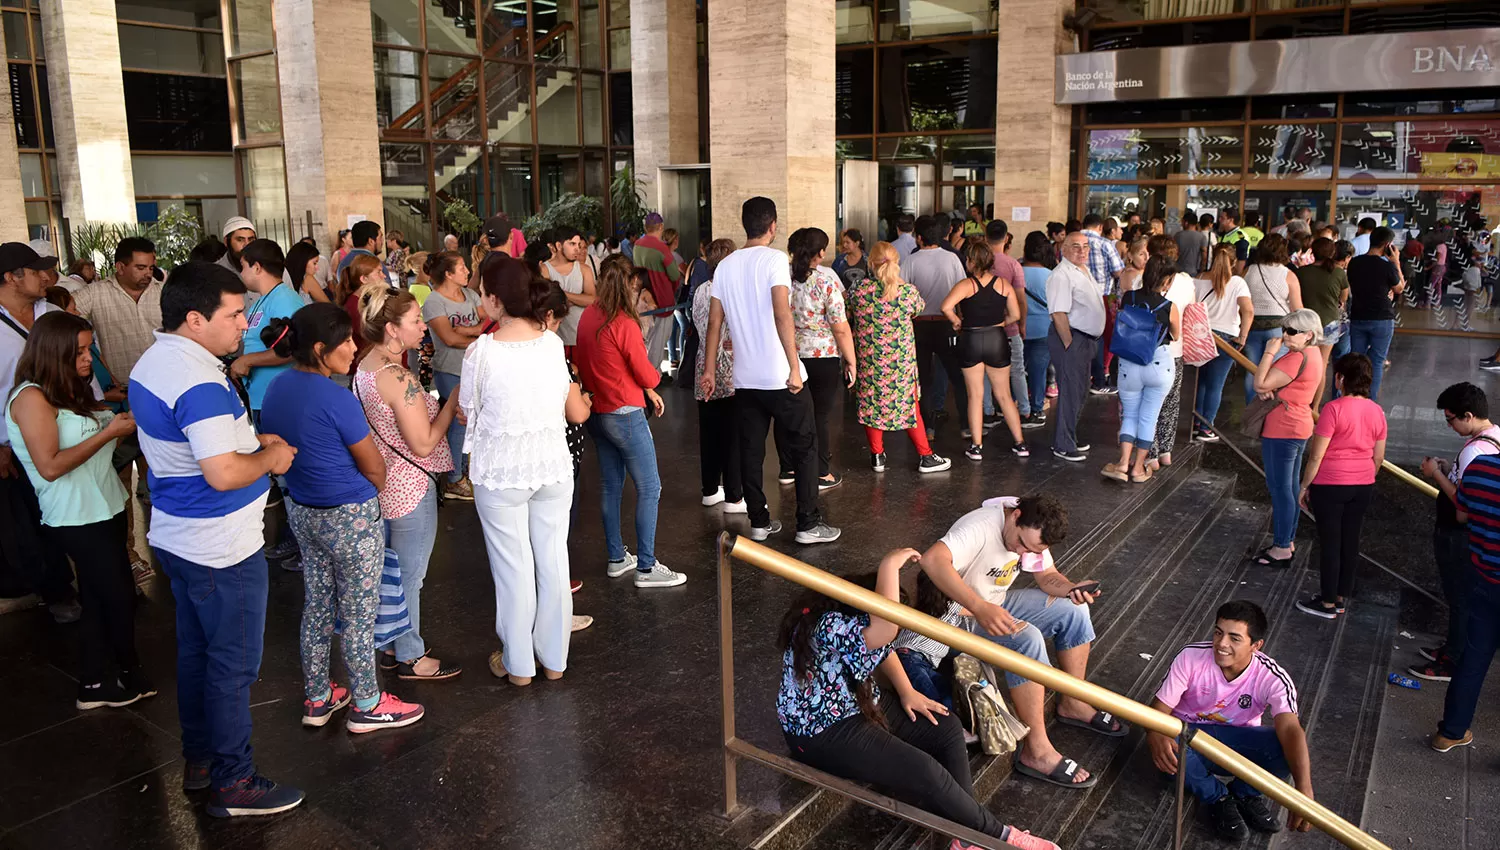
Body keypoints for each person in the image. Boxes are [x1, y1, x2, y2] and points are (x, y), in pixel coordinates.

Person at [129, 261, 302, 816]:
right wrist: (270, 457)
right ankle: (235, 782)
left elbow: (202, 448)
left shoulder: (156, 360)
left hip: (179, 538)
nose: (243, 327)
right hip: (221, 546)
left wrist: (251, 441)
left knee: (198, 656)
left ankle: (201, 761)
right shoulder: (199, 379)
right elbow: (224, 473)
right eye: (232, 316)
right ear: (196, 318)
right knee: (232, 667)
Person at [776, 548, 1061, 850]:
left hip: (858, 704)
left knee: (946, 727)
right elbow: (885, 630)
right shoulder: (830, 624)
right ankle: (999, 836)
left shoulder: (850, 613)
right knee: (926, 770)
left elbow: (882, 648)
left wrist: (907, 692)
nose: (897, 623)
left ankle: (964, 840)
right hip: (821, 732)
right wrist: (889, 564)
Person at [258, 303, 426, 732]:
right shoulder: (335, 397)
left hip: (302, 511)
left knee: (317, 603)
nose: (354, 348)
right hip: (349, 515)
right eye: (345, 341)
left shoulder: (276, 387)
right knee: (359, 611)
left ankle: (318, 696)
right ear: (319, 349)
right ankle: (368, 703)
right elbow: (375, 469)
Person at [913, 496, 1120, 791]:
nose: (1021, 552)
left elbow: (1047, 577)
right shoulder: (981, 525)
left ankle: (1073, 702)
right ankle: (1036, 750)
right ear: (1015, 516)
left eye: (1030, 550)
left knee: (1074, 610)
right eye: (1021, 544)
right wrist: (980, 607)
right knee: (1028, 639)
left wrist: (1071, 589)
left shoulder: (1031, 531)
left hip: (994, 603)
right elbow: (931, 559)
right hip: (955, 615)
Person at [6, 310, 148, 708]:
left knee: (103, 595)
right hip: (74, 514)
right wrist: (109, 430)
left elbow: (97, 444)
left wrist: (114, 426)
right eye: (80, 351)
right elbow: (50, 466)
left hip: (104, 504)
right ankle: (120, 674)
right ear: (53, 352)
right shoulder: (31, 397)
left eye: (89, 349)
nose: (89, 359)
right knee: (117, 595)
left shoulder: (70, 389)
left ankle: (97, 680)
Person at [463, 257, 591, 684]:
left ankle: (519, 667)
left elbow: (470, 412)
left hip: (500, 472)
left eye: (481, 293)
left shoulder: (480, 352)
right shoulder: (551, 343)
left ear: (496, 301)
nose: (479, 299)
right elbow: (566, 403)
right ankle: (555, 661)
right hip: (552, 464)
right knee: (554, 562)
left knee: (513, 569)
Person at [701, 198, 840, 544]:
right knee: (805, 446)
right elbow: (782, 313)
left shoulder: (726, 266)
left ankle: (760, 522)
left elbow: (714, 324)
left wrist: (708, 371)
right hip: (781, 376)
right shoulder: (776, 259)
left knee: (751, 450)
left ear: (745, 224)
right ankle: (807, 524)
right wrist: (795, 367)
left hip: (745, 379)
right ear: (773, 226)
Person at [353, 282, 464, 681]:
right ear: (392, 330)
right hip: (410, 487)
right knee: (410, 576)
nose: (423, 327)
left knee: (390, 571)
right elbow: (423, 442)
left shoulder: (365, 366)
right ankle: (412, 656)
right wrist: (453, 402)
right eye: (415, 321)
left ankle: (390, 645)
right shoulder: (397, 377)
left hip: (383, 485)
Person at [1148, 600, 1312, 841]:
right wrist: (1154, 735)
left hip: (1235, 746)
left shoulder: (1273, 676)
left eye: (1234, 638)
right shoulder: (1191, 656)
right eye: (1218, 633)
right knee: (1169, 736)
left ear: (1256, 645)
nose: (1221, 644)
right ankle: (1218, 798)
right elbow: (1159, 710)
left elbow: (1290, 729)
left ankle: (1244, 793)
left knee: (1285, 745)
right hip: (1188, 741)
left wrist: (1303, 791)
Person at [575, 255, 685, 587]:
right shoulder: (623, 323)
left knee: (610, 486)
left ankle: (617, 558)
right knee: (650, 487)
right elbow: (644, 370)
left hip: (598, 411)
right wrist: (652, 382)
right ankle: (647, 568)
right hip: (625, 414)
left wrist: (647, 389)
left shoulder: (588, 317)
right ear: (630, 284)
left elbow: (586, 360)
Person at [0, 242, 82, 623]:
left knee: (69, 507)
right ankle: (55, 590)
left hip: (68, 428)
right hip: (14, 442)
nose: (47, 276)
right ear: (11, 278)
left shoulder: (49, 312)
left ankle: (83, 578)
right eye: (36, 271)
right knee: (30, 518)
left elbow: (78, 367)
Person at [1412, 383, 1500, 682]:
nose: (1449, 425)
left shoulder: (1475, 449)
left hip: (1458, 535)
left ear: (1468, 415)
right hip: (1478, 535)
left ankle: (1453, 660)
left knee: (1460, 598)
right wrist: (1451, 469)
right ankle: (1452, 648)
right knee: (1462, 598)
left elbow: (1463, 508)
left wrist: (1435, 474)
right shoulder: (1494, 436)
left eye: (1451, 419)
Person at [1294, 353, 1385, 619]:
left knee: (1331, 543)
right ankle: (1342, 596)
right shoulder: (1377, 410)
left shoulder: (1333, 409)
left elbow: (1316, 455)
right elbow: (1378, 456)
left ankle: (1327, 602)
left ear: (1340, 378)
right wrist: (1365, 474)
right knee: (1350, 541)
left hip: (1331, 485)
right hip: (1363, 484)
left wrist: (1304, 486)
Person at [846, 242, 951, 474]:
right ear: (897, 264)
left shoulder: (858, 290)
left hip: (870, 361)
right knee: (910, 407)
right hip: (900, 363)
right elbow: (918, 310)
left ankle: (877, 456)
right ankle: (925, 456)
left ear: (870, 264)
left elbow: (847, 307)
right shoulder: (907, 292)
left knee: (872, 406)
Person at [1432, 448, 1500, 753]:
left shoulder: (1481, 467)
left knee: (1471, 661)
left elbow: (1462, 514)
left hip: (1484, 580)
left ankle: (1450, 732)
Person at [940, 237, 1028, 462]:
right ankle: (1020, 443)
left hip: (971, 338)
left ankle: (977, 446)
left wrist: (956, 321)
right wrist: (1000, 323)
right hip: (997, 339)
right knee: (1005, 396)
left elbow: (945, 306)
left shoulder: (965, 285)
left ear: (970, 262)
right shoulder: (1003, 284)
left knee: (976, 395)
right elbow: (1016, 316)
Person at [780, 227, 855, 489]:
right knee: (820, 415)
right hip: (822, 355)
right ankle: (822, 472)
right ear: (821, 253)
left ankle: (788, 469)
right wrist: (851, 360)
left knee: (788, 413)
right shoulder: (826, 281)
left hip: (787, 354)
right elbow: (841, 327)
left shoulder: (780, 278)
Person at [1252, 309, 1324, 567]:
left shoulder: (1297, 357)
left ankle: (1282, 547)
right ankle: (1287, 540)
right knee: (1290, 488)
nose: (1285, 335)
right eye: (1284, 329)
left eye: (1292, 331)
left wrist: (1269, 351)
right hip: (1298, 425)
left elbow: (1260, 384)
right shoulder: (1314, 354)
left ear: (1308, 335)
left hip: (1282, 429)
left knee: (1281, 489)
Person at [1102, 254, 1179, 484]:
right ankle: (1137, 468)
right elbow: (1175, 335)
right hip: (1159, 364)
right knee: (1149, 418)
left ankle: (1122, 464)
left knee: (1130, 415)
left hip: (1129, 364)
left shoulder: (1129, 298)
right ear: (1167, 281)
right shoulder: (1169, 306)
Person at [420, 251, 481, 501]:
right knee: (459, 422)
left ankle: (464, 470)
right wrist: (480, 338)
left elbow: (489, 324)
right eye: (462, 267)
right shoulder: (434, 301)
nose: (467, 271)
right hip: (450, 369)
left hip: (474, 367)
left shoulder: (471, 294)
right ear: (448, 274)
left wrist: (470, 330)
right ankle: (454, 479)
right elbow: (449, 338)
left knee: (470, 422)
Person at [691, 239, 744, 510]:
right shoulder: (730, 290)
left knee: (710, 433)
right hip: (729, 369)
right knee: (733, 433)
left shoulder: (701, 289)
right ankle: (735, 494)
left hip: (703, 366)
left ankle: (710, 489)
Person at [904, 216, 972, 429]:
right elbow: (963, 293)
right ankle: (965, 425)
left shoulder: (910, 261)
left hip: (919, 327)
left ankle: (928, 428)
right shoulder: (952, 258)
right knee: (957, 376)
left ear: (919, 238)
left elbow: (901, 294)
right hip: (947, 325)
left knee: (923, 380)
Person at [1047, 232, 1107, 462]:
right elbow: (1058, 313)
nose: (1082, 251)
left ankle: (1069, 434)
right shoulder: (1061, 275)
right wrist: (1070, 344)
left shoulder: (1081, 269)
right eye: (1075, 246)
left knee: (1080, 391)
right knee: (1071, 391)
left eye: (1085, 246)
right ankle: (1063, 444)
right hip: (1072, 339)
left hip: (1086, 339)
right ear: (1063, 249)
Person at [74, 236, 163, 382]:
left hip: (164, 384)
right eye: (140, 268)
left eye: (151, 268)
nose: (148, 273)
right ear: (121, 267)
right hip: (121, 388)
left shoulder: (164, 292)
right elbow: (63, 324)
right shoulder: (94, 293)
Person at [1192, 244, 1252, 442]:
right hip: (1226, 339)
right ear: (1234, 261)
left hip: (1201, 336)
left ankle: (1195, 422)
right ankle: (1206, 427)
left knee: (1200, 382)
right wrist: (1243, 336)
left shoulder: (1199, 279)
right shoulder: (1237, 283)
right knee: (1215, 385)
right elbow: (1248, 311)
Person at [1144, 236, 1194, 470]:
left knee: (1149, 401)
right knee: (1171, 401)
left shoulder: (1142, 280)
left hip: (1147, 350)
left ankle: (1150, 452)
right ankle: (1166, 451)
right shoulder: (1187, 281)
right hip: (1176, 348)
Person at [1241, 233, 1304, 405]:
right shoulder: (1288, 275)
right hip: (1278, 329)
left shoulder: (1248, 271)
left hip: (1252, 326)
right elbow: (1297, 309)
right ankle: (1269, 412)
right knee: (1275, 370)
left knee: (1252, 369)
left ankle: (1251, 408)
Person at [1346, 226, 1405, 402]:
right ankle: (1369, 400)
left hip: (1358, 316)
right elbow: (1400, 287)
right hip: (1382, 318)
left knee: (1357, 359)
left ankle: (1352, 395)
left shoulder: (1354, 263)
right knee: (1377, 361)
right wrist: (1396, 262)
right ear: (1387, 245)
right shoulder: (1387, 266)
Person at [987, 220, 1035, 429]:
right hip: (1009, 326)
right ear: (1006, 238)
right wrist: (1022, 323)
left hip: (984, 327)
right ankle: (1024, 411)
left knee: (986, 371)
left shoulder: (979, 262)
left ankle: (987, 411)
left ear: (985, 237)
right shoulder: (1013, 265)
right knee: (1016, 369)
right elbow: (1021, 299)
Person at [1293, 237, 1349, 409]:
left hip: (1306, 324)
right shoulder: (1339, 273)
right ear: (1333, 253)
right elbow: (1343, 298)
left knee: (1302, 363)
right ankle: (1314, 407)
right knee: (1321, 366)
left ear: (1312, 252)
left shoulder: (1301, 272)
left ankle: (1300, 402)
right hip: (1330, 323)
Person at [1080, 214, 1124, 395]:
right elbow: (1118, 271)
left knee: (1080, 335)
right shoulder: (1105, 244)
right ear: (1099, 227)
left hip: (1076, 296)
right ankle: (1099, 380)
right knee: (1099, 337)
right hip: (1100, 297)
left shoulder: (1072, 242)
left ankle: (1080, 377)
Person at [540, 225, 597, 357]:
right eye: (572, 244)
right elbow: (547, 302)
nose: (577, 248)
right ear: (559, 246)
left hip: (581, 337)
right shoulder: (544, 269)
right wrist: (579, 298)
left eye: (578, 244)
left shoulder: (584, 269)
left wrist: (562, 294)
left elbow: (592, 300)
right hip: (554, 339)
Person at [1019, 232, 1052, 424]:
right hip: (1044, 328)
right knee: (1039, 371)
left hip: (1018, 328)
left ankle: (1017, 405)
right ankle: (1036, 409)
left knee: (1017, 370)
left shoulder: (1017, 271)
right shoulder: (1052, 275)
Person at [285, 241, 329, 305]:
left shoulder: (284, 277)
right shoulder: (307, 279)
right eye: (314, 263)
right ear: (303, 262)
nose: (317, 268)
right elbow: (328, 306)